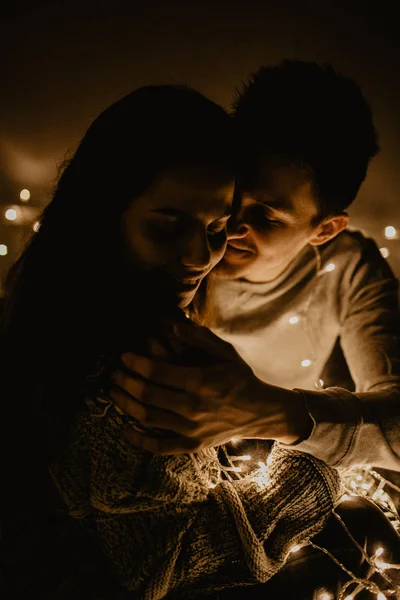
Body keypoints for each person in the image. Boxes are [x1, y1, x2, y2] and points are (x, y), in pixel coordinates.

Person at [0, 84, 343, 600]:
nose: (198, 257)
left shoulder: (52, 308)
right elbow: (162, 572)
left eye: (216, 229)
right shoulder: (140, 372)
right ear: (103, 214)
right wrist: (318, 471)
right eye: (167, 227)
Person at [110, 61, 400, 474]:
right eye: (230, 199)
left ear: (325, 230)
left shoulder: (348, 267)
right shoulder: (180, 247)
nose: (227, 228)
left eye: (266, 217)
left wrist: (272, 413)